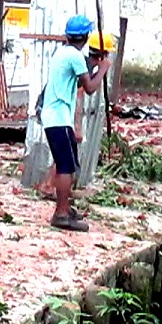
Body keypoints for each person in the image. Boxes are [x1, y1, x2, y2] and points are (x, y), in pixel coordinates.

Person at [42, 16, 110, 232]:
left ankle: (65, 207)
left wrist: (94, 67)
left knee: (68, 164)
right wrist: (104, 69)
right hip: (58, 117)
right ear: (86, 36)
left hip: (57, 116)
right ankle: (60, 214)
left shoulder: (64, 52)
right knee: (65, 166)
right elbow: (89, 87)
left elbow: (80, 77)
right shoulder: (75, 56)